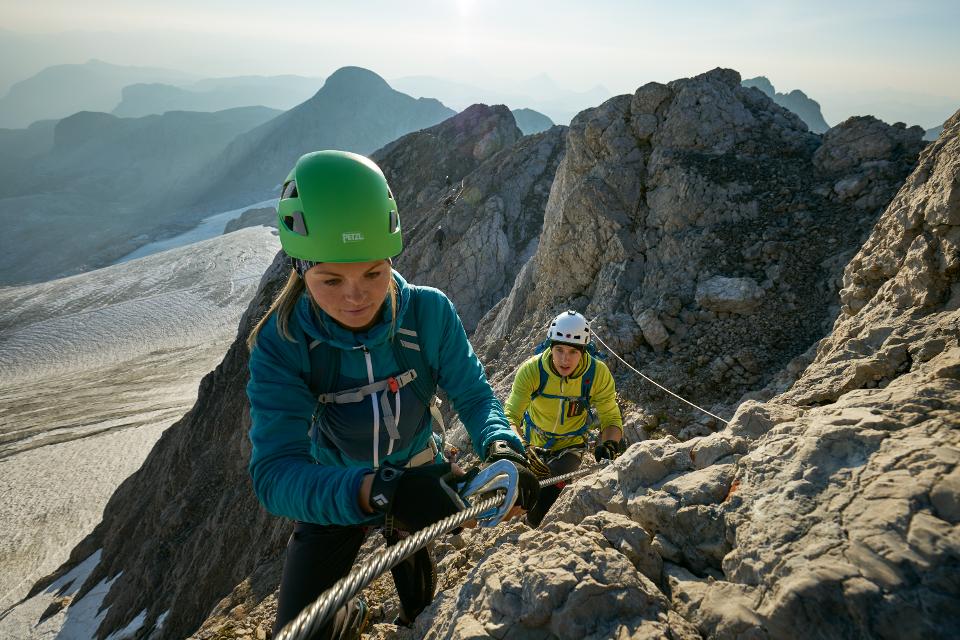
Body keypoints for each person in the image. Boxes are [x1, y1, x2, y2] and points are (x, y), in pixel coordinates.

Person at [245, 150, 539, 640]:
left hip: (415, 469)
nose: (356, 296)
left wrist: (504, 445)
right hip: (334, 485)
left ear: (391, 260)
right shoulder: (283, 342)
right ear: (299, 270)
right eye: (331, 280)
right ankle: (351, 616)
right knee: (304, 631)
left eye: (373, 273)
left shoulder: (428, 313)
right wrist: (377, 490)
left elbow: (474, 395)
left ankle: (407, 621)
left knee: (420, 606)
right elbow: (274, 474)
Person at [504, 310, 625, 527]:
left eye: (572, 352)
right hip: (532, 446)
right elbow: (510, 416)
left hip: (570, 447)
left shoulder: (597, 374)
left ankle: (535, 531)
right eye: (558, 349)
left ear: (584, 351)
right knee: (520, 494)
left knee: (546, 497)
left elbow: (611, 419)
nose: (564, 359)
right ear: (550, 346)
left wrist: (609, 443)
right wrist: (521, 446)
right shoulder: (533, 370)